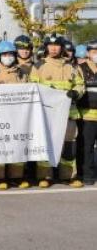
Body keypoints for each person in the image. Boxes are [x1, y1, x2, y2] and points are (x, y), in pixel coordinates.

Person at [30, 34, 85, 188]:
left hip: (68, 114)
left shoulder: (71, 66)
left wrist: (76, 92)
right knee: (46, 145)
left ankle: (68, 176)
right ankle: (45, 176)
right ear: (46, 47)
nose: (53, 48)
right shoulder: (38, 66)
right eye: (50, 45)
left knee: (68, 146)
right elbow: (32, 87)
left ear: (62, 48)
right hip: (46, 114)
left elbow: (80, 84)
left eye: (57, 45)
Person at [0, 41, 30, 190]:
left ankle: (16, 176)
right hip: (0, 116)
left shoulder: (21, 72)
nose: (8, 57)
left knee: (17, 145)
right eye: (4, 54)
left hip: (18, 116)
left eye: (10, 54)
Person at [78, 41, 97, 185]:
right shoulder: (81, 68)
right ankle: (88, 176)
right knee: (87, 147)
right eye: (94, 52)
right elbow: (78, 87)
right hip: (87, 115)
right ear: (88, 54)